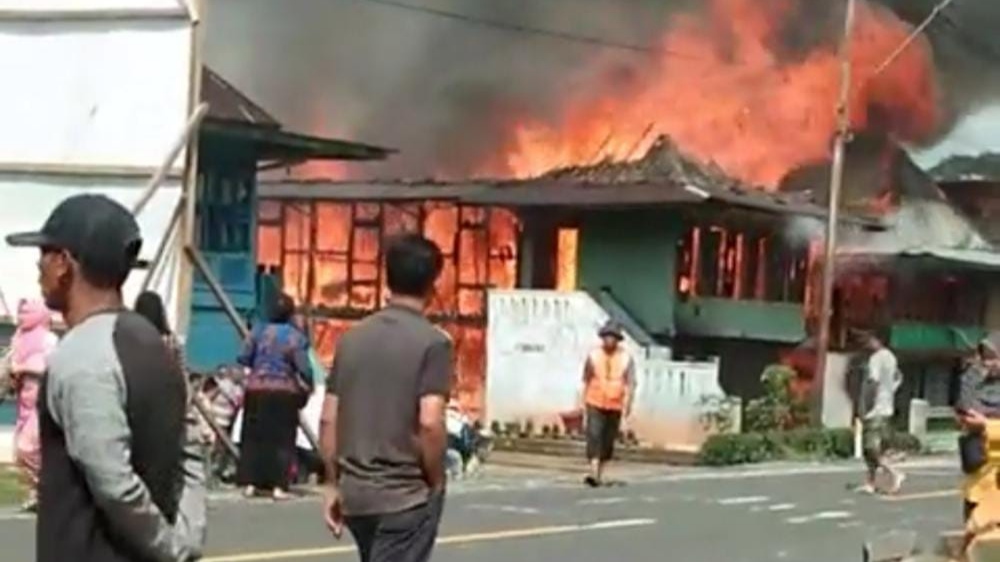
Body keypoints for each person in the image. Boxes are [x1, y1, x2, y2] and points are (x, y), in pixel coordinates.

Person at [5, 193, 204, 562]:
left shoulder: (82, 355)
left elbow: (113, 482)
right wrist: (189, 537)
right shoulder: (154, 345)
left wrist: (173, 549)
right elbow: (191, 452)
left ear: (64, 263)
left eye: (45, 253)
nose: (38, 266)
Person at [319, 233, 450, 562]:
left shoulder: (351, 340)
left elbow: (328, 418)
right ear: (432, 285)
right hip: (403, 496)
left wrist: (334, 484)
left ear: (387, 279)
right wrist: (436, 480)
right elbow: (431, 422)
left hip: (356, 496)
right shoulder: (434, 344)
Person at [236, 292, 314, 501]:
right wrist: (308, 383)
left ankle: (251, 484)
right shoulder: (295, 337)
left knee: (254, 437)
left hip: (256, 390)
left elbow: (243, 357)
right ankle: (279, 487)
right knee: (282, 440)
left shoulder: (258, 332)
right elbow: (304, 368)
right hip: (284, 393)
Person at [8, 299, 58, 512]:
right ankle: (38, 493)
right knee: (20, 452)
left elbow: (53, 368)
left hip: (43, 400)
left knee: (29, 447)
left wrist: (26, 368)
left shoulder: (49, 340)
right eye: (21, 313)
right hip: (23, 400)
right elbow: (10, 365)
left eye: (27, 313)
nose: (22, 317)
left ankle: (49, 489)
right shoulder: (18, 339)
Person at [581, 321, 636, 488]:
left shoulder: (626, 358)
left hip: (615, 404)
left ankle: (600, 473)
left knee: (607, 440)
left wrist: (629, 405)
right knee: (594, 435)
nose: (609, 340)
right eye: (606, 337)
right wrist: (582, 405)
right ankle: (594, 473)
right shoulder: (593, 356)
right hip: (594, 401)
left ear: (618, 340)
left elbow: (631, 383)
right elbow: (586, 379)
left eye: (612, 337)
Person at [957, 332, 1000, 521]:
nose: (988, 364)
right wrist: (972, 376)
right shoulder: (979, 383)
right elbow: (964, 407)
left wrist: (985, 425)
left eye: (994, 358)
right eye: (985, 358)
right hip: (979, 476)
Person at [857, 329, 905, 495]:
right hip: (887, 407)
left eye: (869, 339)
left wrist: (866, 406)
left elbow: (873, 383)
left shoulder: (876, 358)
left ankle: (894, 472)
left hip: (876, 409)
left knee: (870, 448)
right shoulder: (891, 357)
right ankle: (870, 483)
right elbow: (898, 377)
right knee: (874, 448)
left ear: (877, 339)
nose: (866, 343)